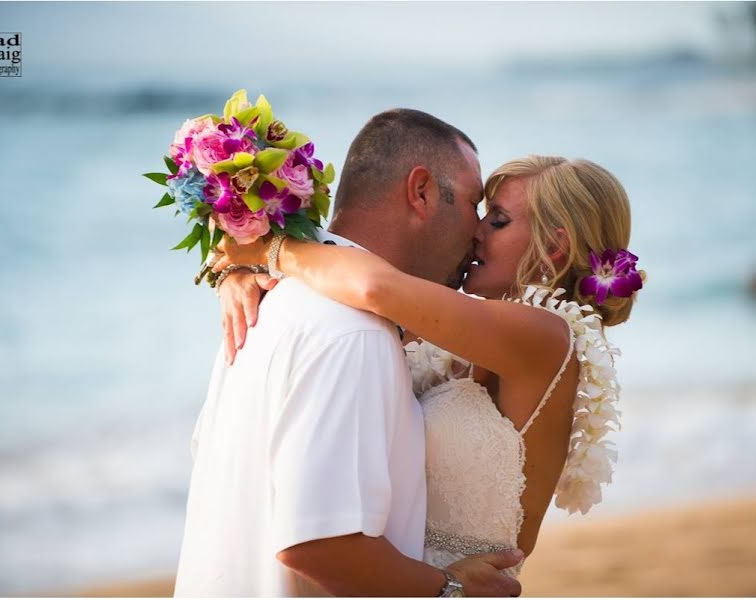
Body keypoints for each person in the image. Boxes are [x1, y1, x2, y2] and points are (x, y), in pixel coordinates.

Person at [214, 154, 642, 577]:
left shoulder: (544, 336)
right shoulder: (483, 333)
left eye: (497, 220)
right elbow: (349, 306)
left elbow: (373, 286)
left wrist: (266, 247)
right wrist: (237, 273)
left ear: (554, 245)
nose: (475, 232)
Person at [174, 109, 524, 597]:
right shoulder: (353, 332)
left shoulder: (272, 303)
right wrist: (449, 589)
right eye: (472, 203)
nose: (478, 230)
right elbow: (319, 543)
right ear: (421, 192)